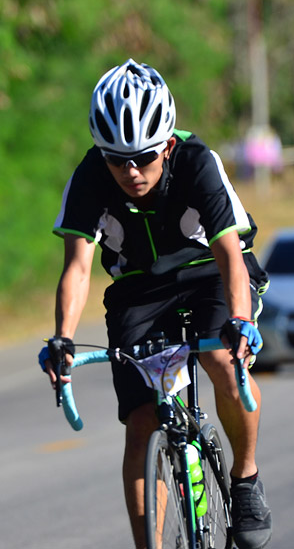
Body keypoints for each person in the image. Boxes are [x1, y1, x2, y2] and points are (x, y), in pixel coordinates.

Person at [39, 59, 273, 549]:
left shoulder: (197, 162)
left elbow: (230, 254)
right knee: (142, 422)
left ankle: (246, 477)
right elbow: (77, 268)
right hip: (139, 288)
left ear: (166, 145)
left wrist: (239, 320)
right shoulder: (90, 177)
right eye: (116, 159)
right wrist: (62, 338)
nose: (130, 171)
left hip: (211, 272)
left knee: (220, 361)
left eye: (143, 157)